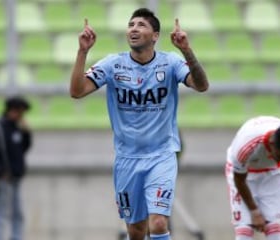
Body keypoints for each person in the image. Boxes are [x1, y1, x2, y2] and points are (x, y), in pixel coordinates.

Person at [69, 8, 209, 240]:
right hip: (127, 160)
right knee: (135, 231)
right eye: (131, 24)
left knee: (159, 222)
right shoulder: (113, 64)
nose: (134, 28)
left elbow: (202, 85)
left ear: (155, 35)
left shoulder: (171, 63)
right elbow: (77, 91)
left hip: (162, 156)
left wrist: (187, 51)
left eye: (141, 25)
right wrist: (82, 52)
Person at [225, 116, 280, 240]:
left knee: (275, 226)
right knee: (244, 229)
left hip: (273, 172)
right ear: (272, 144)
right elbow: (240, 179)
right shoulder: (246, 145)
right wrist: (254, 211)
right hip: (242, 175)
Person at [0, 96, 32, 240]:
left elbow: (23, 148)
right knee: (1, 213)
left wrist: (27, 133)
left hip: (16, 178)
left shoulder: (17, 128)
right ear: (11, 110)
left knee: (17, 214)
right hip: (3, 179)